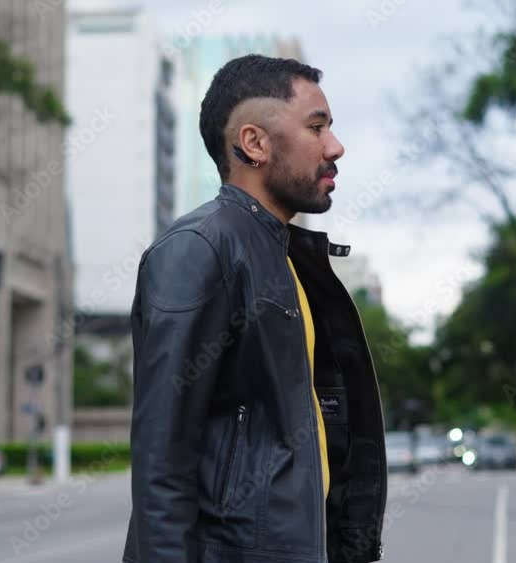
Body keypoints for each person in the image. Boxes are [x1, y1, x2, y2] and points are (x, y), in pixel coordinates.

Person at [122, 54, 388, 563]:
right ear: (254, 143)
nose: (336, 146)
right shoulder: (198, 250)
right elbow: (163, 462)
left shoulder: (291, 260)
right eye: (317, 127)